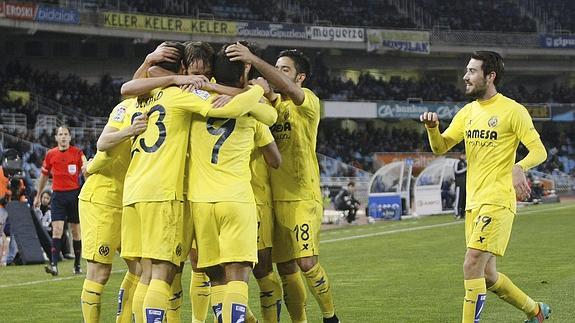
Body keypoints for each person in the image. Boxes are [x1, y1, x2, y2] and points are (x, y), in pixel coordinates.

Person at [119, 44, 276, 323]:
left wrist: (150, 65)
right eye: (194, 73)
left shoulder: (153, 93)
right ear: (183, 71)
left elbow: (127, 89)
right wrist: (257, 91)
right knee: (172, 272)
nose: (200, 79)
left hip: (175, 196)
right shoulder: (191, 98)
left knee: (158, 272)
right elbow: (268, 116)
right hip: (187, 195)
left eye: (205, 75)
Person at [419, 51, 550, 323]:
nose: (465, 76)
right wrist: (433, 129)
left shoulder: (513, 111)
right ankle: (535, 311)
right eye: (467, 70)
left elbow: (539, 151)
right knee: (488, 275)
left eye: (472, 71)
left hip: (498, 200)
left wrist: (519, 167)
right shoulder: (467, 113)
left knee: (471, 262)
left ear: (490, 76)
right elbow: (440, 148)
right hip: (473, 203)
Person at [227, 43, 340, 323]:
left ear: (300, 77)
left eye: (284, 69)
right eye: (275, 68)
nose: (277, 74)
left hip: (302, 196)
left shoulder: (307, 101)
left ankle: (330, 317)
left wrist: (254, 59)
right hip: (270, 200)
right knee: (283, 268)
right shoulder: (266, 106)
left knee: (306, 264)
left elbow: (287, 91)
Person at [78, 96, 148, 323]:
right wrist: (130, 130)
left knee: (141, 269)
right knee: (100, 271)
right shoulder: (125, 108)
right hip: (102, 199)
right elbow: (104, 145)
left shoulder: (163, 107)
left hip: (128, 201)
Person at [35, 126, 86, 276]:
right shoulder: (51, 154)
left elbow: (85, 169)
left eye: (66, 134)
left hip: (74, 195)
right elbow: (44, 176)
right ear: (56, 138)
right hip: (57, 196)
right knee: (57, 230)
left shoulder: (77, 153)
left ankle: (77, 264)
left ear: (70, 137)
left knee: (76, 232)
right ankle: (54, 265)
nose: (63, 137)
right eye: (60, 134)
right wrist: (38, 195)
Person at [454, 153, 467, 218]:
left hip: (465, 184)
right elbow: (456, 171)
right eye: (464, 155)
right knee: (458, 199)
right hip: (459, 183)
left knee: (464, 199)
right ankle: (457, 213)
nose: (465, 156)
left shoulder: (465, 163)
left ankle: (463, 213)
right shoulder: (457, 162)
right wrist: (465, 169)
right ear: (461, 155)